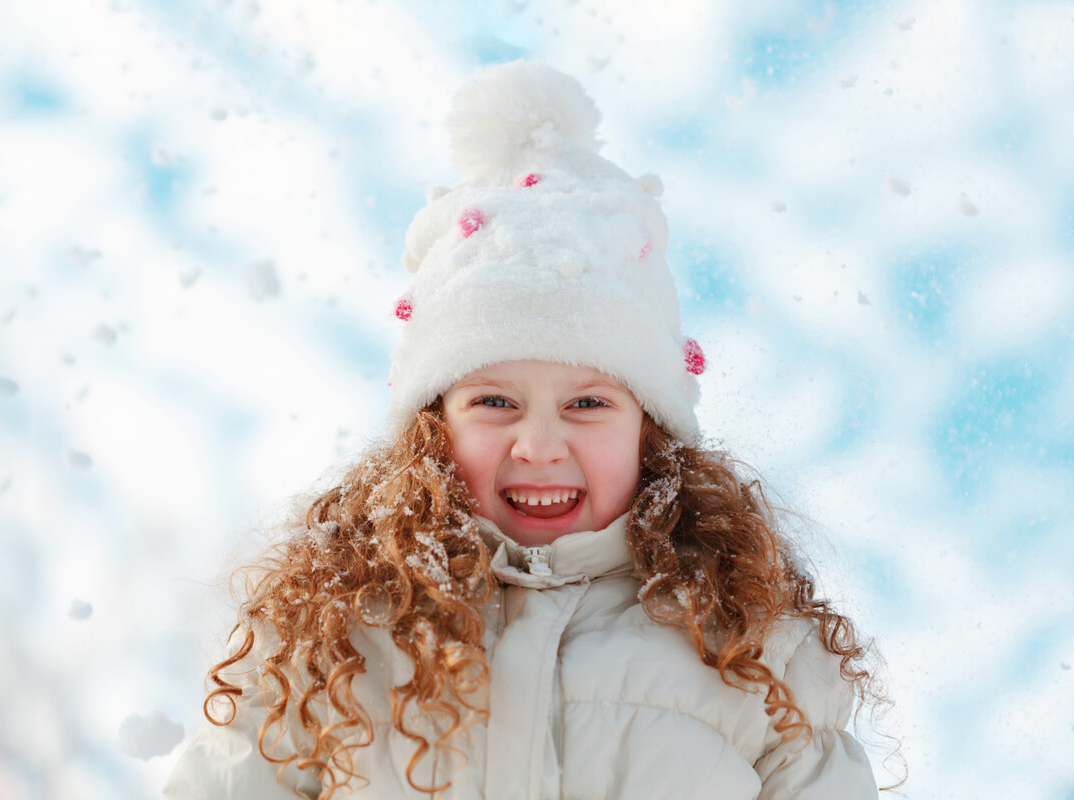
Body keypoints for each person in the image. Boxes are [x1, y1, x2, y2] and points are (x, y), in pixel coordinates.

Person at [162, 61, 885, 800]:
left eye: (588, 404)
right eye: (496, 403)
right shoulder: (335, 641)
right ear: (431, 430)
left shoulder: (753, 657)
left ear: (652, 432)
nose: (539, 445)